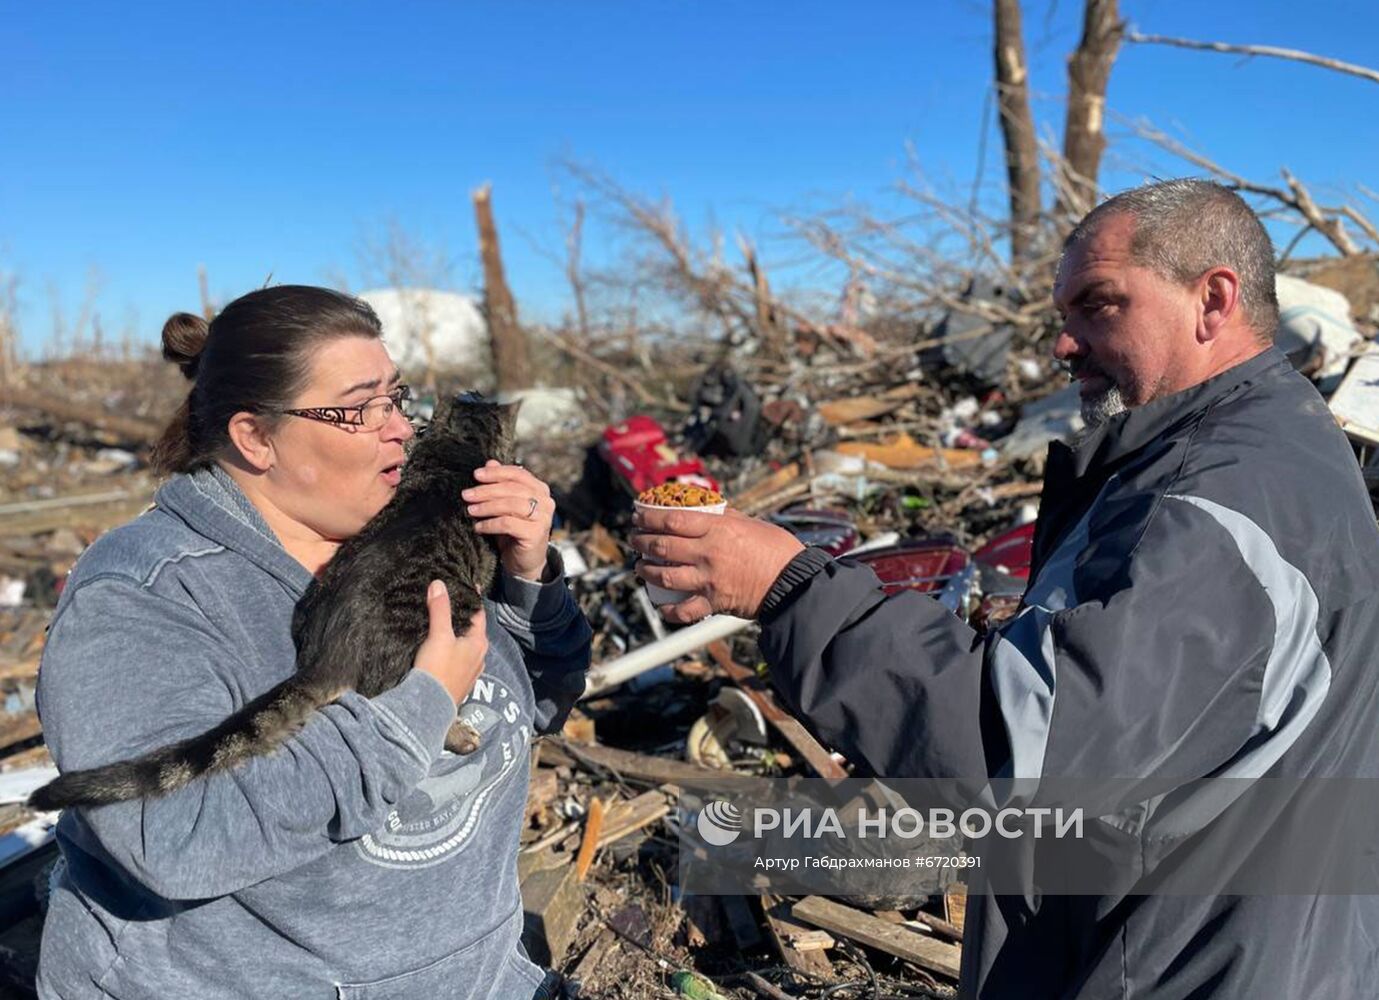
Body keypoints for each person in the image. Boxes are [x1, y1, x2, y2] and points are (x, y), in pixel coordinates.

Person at [632, 179, 1379, 997]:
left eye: (1097, 305)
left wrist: (788, 587)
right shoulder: (1271, 441)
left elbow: (1025, 761)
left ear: (1211, 299)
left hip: (1178, 965)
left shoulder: (1222, 500)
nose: (1063, 345)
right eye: (1062, 317)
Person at [36, 286, 592, 999]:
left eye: (398, 398)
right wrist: (412, 714)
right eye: (361, 409)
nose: (400, 429)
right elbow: (167, 837)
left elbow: (538, 706)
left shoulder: (408, 538)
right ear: (255, 438)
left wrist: (528, 580)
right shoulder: (142, 595)